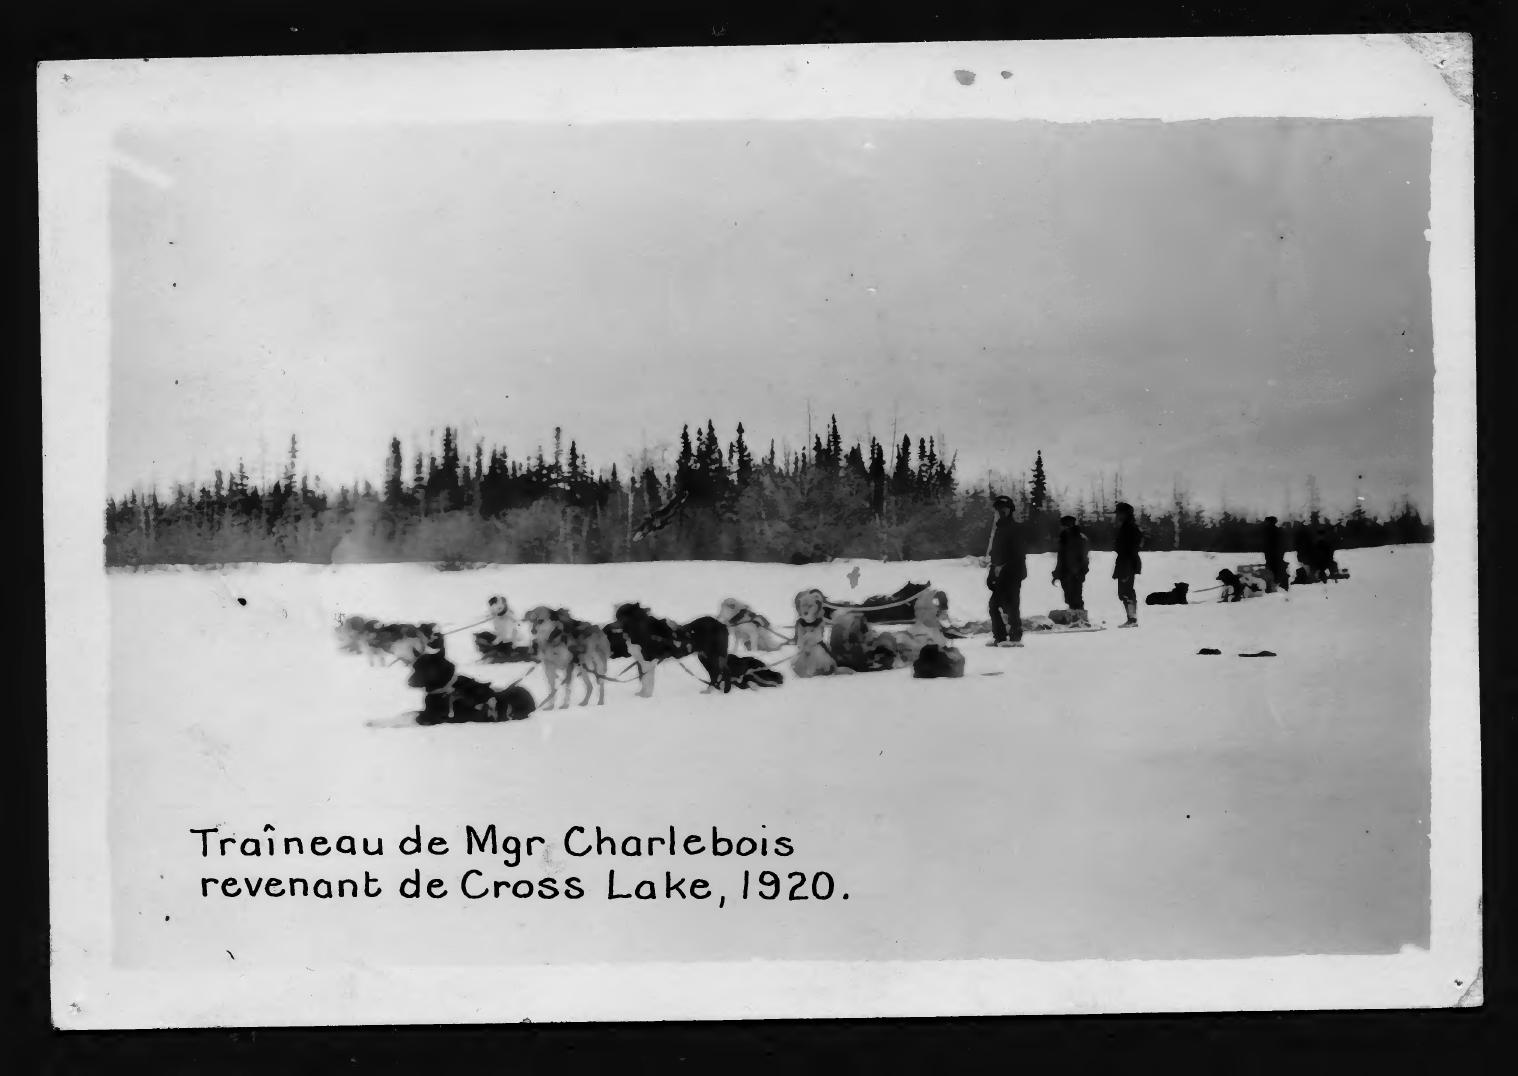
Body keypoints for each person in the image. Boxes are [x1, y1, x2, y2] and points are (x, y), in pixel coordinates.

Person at [985, 495, 1027, 647]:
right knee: (994, 605)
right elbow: (995, 555)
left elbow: (1018, 554)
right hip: (998, 574)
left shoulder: (1015, 528)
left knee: (1011, 605)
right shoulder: (998, 529)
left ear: (1010, 510)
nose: (1001, 512)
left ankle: (1015, 636)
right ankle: (1000, 636)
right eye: (998, 509)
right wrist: (992, 573)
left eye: (1004, 509)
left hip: (1013, 573)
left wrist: (1005, 568)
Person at [1051, 515, 1091, 624]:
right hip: (1066, 573)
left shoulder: (1079, 538)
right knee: (1069, 597)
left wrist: (1080, 571)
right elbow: (1061, 559)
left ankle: (1080, 619)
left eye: (1064, 525)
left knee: (1076, 597)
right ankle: (1075, 618)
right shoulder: (1063, 539)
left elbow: (1083, 557)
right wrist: (1056, 574)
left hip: (1075, 573)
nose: (1062, 527)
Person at [1113, 501, 1144, 627]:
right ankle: (1131, 618)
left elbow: (1131, 548)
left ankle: (1132, 619)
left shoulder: (1130, 528)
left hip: (1127, 562)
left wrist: (1127, 567)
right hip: (1125, 562)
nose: (1117, 516)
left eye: (1119, 513)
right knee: (1124, 592)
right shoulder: (1128, 527)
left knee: (1126, 591)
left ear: (1125, 514)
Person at [1261, 516, 1289, 592]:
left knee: (1270, 571)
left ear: (1269, 522)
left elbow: (1267, 544)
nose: (1265, 523)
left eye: (1266, 522)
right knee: (1278, 570)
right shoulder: (1278, 531)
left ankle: (1270, 587)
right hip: (1277, 555)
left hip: (1272, 555)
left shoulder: (1267, 531)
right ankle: (1282, 585)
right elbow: (1283, 544)